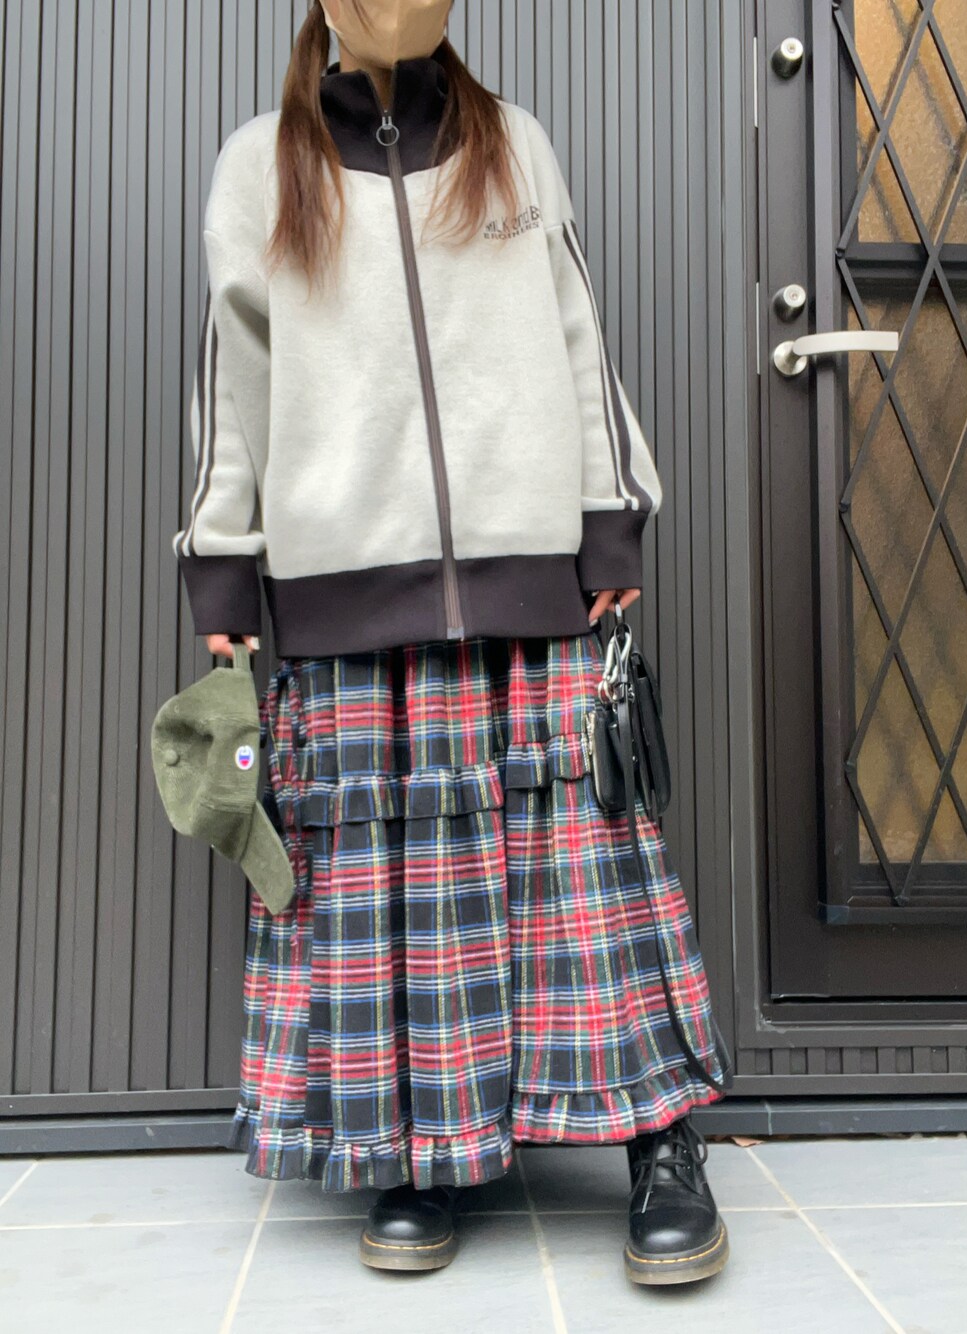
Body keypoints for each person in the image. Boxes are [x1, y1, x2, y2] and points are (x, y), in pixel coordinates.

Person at [172, 0, 732, 1285]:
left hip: (531, 583)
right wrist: (220, 566)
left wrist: (610, 524)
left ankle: (660, 1142)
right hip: (343, 598)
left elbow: (581, 345)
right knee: (395, 909)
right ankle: (419, 1152)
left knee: (591, 890)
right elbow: (232, 388)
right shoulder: (258, 167)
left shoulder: (512, 144)